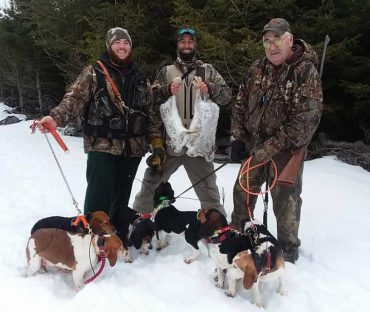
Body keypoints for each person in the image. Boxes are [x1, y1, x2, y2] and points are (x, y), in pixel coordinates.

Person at [37, 27, 162, 242]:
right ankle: (90, 240)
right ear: (109, 46)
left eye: (126, 43)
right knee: (98, 197)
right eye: (117, 43)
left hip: (133, 149)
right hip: (102, 146)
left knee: (121, 198)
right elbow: (74, 99)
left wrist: (157, 142)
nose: (122, 47)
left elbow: (149, 112)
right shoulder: (94, 72)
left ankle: (116, 238)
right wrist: (55, 118)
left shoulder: (140, 77)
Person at [231, 18, 323, 263]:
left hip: (286, 150)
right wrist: (238, 138)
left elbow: (305, 121)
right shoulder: (258, 68)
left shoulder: (305, 72)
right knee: (242, 190)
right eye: (266, 41)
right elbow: (240, 103)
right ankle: (238, 239)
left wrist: (267, 149)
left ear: (290, 40)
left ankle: (288, 251)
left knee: (286, 201)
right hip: (255, 145)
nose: (271, 46)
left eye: (277, 40)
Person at [133, 27, 231, 215]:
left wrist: (209, 88)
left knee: (209, 189)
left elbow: (226, 96)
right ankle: (138, 219)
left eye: (190, 42)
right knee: (150, 183)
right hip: (171, 143)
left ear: (195, 45)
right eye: (183, 42)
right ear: (178, 45)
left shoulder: (208, 70)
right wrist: (166, 90)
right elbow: (149, 100)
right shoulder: (165, 71)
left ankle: (217, 228)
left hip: (198, 144)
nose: (186, 45)